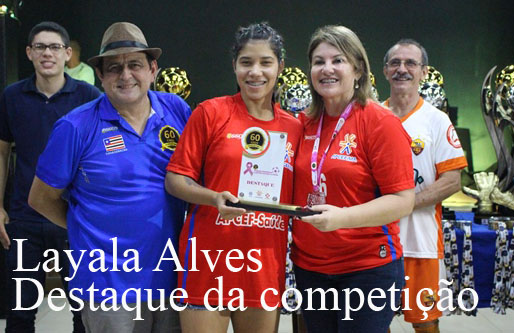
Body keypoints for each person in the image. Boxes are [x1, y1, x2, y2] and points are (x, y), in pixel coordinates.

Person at [28, 22, 190, 332]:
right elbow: (40, 198)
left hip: (170, 275)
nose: (126, 75)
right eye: (114, 68)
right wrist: (87, 226)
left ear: (153, 69)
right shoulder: (75, 126)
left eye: (135, 65)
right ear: (100, 75)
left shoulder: (176, 110)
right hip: (108, 284)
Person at [165, 22, 302, 332]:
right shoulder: (211, 113)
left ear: (279, 66)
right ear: (234, 66)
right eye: (246, 62)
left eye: (265, 62)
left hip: (264, 262)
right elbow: (176, 179)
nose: (256, 72)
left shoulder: (294, 127)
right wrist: (214, 197)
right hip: (209, 260)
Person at [291, 25, 415, 332]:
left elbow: (403, 201)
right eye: (319, 61)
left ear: (358, 69)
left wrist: (343, 218)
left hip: (366, 267)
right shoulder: (301, 123)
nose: (327, 69)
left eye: (338, 60)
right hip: (310, 267)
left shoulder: (379, 123)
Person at [0, 21, 101, 332]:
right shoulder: (11, 96)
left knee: (83, 312)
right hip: (23, 216)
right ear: (29, 53)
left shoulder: (88, 96)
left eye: (55, 47)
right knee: (20, 312)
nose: (47, 53)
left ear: (67, 54)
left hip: (73, 215)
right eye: (40, 47)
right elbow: (2, 153)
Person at [383, 39, 467, 333]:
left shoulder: (436, 120)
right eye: (395, 63)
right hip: (376, 241)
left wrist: (405, 202)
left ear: (424, 72)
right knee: (375, 321)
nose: (402, 69)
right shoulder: (371, 118)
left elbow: (452, 179)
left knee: (426, 322)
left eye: (410, 63)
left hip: (421, 243)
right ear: (385, 71)